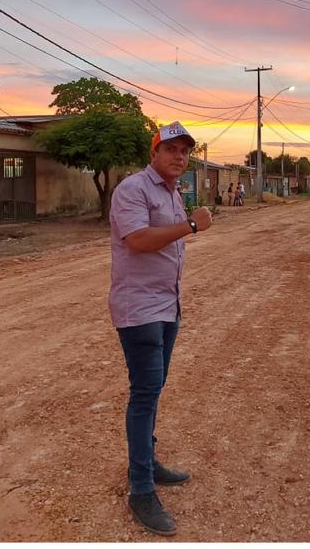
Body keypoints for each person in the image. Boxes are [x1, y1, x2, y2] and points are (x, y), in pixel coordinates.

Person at [109, 121, 212, 535]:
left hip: (168, 305)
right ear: (154, 153)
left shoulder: (172, 192)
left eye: (185, 151)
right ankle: (140, 488)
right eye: (171, 149)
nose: (179, 156)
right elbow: (137, 240)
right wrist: (191, 225)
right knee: (144, 393)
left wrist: (187, 222)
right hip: (139, 309)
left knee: (154, 390)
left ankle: (148, 462)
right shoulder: (132, 189)